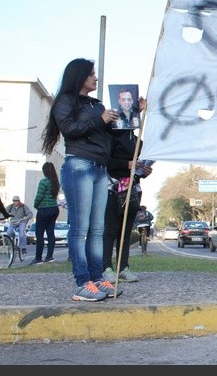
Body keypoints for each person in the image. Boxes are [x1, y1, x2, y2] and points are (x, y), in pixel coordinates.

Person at [41, 57, 122, 302]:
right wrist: (101, 120)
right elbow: (70, 130)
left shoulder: (96, 105)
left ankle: (97, 279)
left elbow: (108, 134)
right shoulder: (65, 102)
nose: (95, 78)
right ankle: (82, 282)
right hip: (79, 166)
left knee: (97, 229)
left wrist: (131, 113)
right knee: (80, 229)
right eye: (91, 74)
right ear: (79, 76)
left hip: (99, 168)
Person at [102, 103, 153, 283]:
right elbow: (107, 161)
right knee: (110, 229)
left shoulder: (138, 141)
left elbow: (141, 166)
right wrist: (127, 164)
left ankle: (123, 266)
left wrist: (144, 171)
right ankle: (106, 267)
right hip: (113, 188)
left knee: (125, 230)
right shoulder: (112, 134)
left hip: (132, 189)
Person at [31, 162, 61, 264]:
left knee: (39, 234)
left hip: (44, 209)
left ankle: (38, 258)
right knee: (50, 233)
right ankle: (49, 257)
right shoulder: (55, 182)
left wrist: (35, 205)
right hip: (54, 209)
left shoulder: (43, 182)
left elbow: (39, 196)